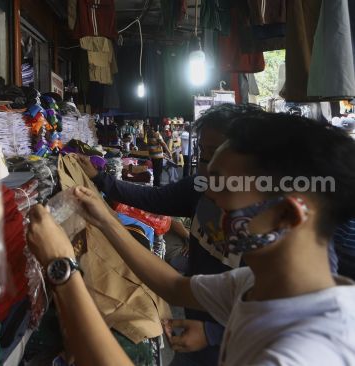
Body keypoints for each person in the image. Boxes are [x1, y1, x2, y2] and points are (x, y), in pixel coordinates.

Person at [27, 113, 355, 366]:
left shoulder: (305, 352)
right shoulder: (259, 285)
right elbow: (174, 286)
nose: (208, 194)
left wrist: (62, 268)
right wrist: (104, 218)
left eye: (224, 185)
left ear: (287, 215)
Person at [74, 103, 265, 366]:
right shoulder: (202, 189)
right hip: (194, 327)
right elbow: (176, 288)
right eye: (203, 155)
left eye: (214, 157)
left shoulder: (268, 231)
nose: (203, 169)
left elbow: (286, 312)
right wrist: (101, 182)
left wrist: (214, 334)